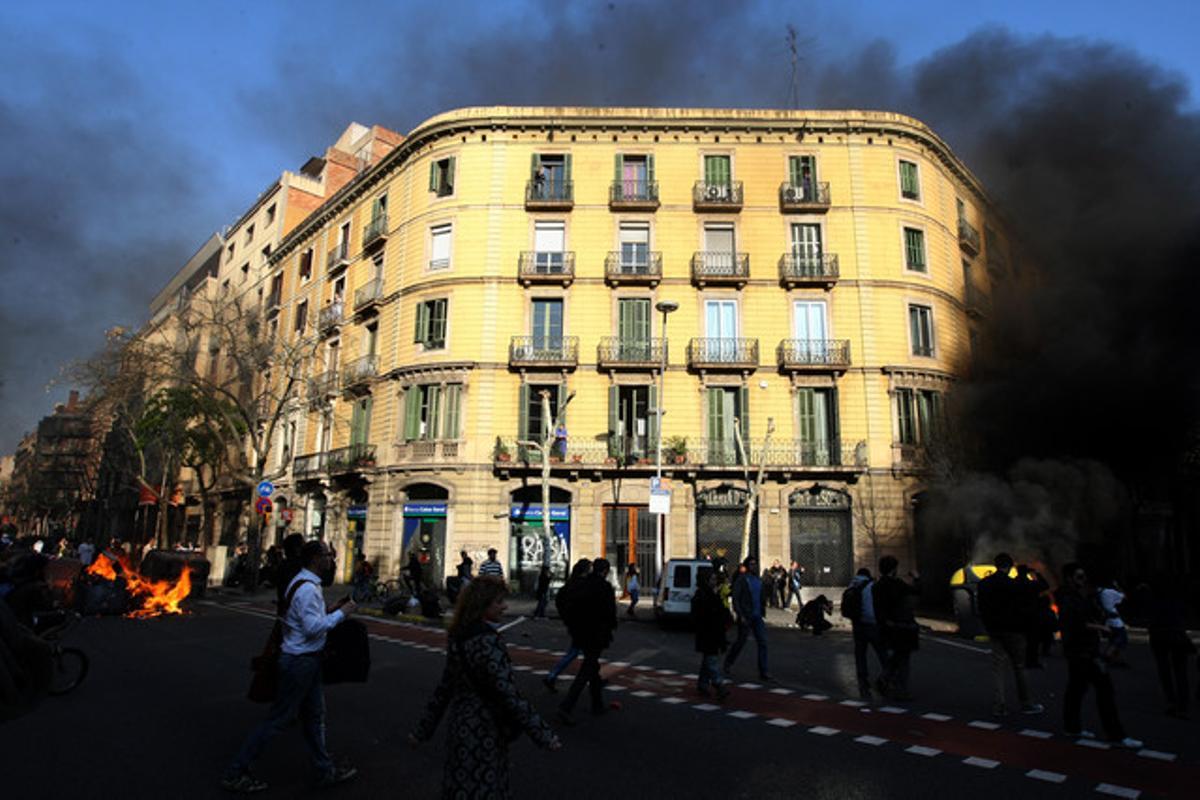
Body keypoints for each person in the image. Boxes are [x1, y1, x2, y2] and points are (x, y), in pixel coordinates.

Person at [222, 541, 358, 793]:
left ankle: (324, 768)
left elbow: (303, 618)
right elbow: (313, 628)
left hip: (307, 660)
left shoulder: (301, 583)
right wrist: (343, 613)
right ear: (316, 559)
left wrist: (331, 609)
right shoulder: (307, 589)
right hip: (300, 662)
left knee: (314, 717)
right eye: (328, 556)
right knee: (278, 720)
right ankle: (236, 771)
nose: (331, 560)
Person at [409, 576, 561, 798]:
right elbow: (507, 692)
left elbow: (445, 687)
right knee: (485, 785)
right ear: (483, 605)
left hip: (460, 724)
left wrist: (422, 730)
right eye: (498, 602)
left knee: (460, 786)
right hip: (484, 729)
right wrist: (542, 733)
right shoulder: (488, 641)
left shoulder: (458, 637)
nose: (504, 606)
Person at [1056, 563, 1141, 747]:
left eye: (1083, 576)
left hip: (1078, 650)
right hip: (1084, 651)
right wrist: (1101, 627)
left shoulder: (1073, 597)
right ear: (1069, 578)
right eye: (1079, 577)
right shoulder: (1070, 599)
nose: (1083, 580)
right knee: (1104, 690)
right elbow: (1077, 623)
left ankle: (1072, 726)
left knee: (1076, 689)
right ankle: (1116, 734)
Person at [977, 553, 1044, 716]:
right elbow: (1041, 586)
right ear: (1010, 565)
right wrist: (1032, 574)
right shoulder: (1013, 584)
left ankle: (999, 705)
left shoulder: (984, 584)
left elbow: (980, 607)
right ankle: (1026, 702)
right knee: (1019, 667)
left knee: (998, 668)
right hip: (1014, 630)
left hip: (994, 629)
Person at [557, 558, 617, 725]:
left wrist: (570, 622)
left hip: (580, 633)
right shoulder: (604, 587)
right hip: (596, 634)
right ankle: (566, 706)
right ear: (605, 571)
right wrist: (610, 627)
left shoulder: (581, 584)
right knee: (587, 669)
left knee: (592, 667)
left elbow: (564, 600)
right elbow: (610, 613)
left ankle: (597, 704)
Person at [1141, 576, 1195, 719]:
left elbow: (1148, 617)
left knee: (1164, 669)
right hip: (1176, 634)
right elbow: (1185, 615)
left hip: (1159, 635)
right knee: (1180, 671)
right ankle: (1183, 703)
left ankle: (1171, 701)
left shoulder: (1151, 600)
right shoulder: (1177, 599)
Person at [873, 555, 920, 701]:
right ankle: (901, 688)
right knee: (903, 658)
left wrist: (883, 622)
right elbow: (916, 591)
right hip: (901, 626)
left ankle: (886, 678)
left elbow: (878, 608)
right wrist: (917, 578)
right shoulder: (897, 584)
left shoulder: (877, 586)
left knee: (897, 656)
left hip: (887, 626)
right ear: (894, 569)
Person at [543, 559, 591, 692]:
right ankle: (552, 676)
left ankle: (552, 676)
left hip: (574, 623)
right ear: (585, 570)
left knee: (579, 652)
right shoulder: (583, 585)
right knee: (581, 653)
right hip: (582, 624)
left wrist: (566, 617)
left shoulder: (570, 584)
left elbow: (560, 601)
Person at [723, 557, 770, 681]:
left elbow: (761, 597)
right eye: (751, 564)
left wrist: (763, 609)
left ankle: (763, 671)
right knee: (741, 642)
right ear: (747, 566)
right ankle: (728, 662)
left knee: (763, 642)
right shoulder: (742, 580)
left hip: (757, 615)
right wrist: (740, 615)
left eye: (755, 564)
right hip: (746, 616)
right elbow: (736, 598)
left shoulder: (758, 580)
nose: (754, 566)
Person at [845, 568, 888, 701]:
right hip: (871, 623)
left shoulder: (852, 584)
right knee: (882, 652)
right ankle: (887, 677)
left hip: (857, 624)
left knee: (860, 653)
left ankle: (862, 679)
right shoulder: (871, 585)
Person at [691, 570, 732, 700]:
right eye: (712, 579)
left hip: (714, 633)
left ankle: (703, 684)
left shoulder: (714, 594)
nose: (714, 582)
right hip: (707, 633)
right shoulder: (702, 595)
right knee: (711, 659)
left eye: (715, 579)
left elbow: (721, 611)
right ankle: (718, 684)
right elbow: (700, 615)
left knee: (708, 659)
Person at [1097, 578, 1129, 667]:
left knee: (1113, 640)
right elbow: (1124, 597)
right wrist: (1118, 587)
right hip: (1116, 621)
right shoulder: (1110, 592)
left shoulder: (1099, 591)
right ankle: (1107, 656)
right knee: (1119, 640)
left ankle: (1114, 659)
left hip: (1107, 620)